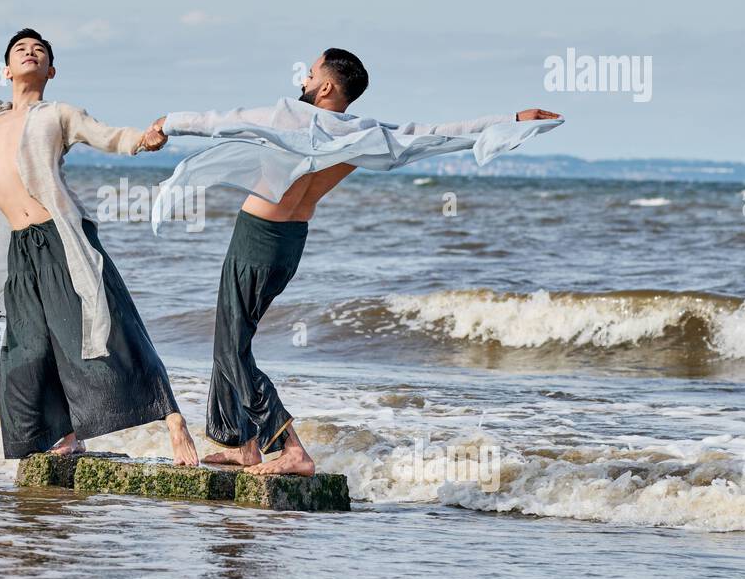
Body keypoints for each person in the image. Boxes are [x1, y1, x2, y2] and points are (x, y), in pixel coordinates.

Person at [148, 48, 562, 476]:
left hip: (256, 239)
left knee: (232, 346)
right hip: (289, 244)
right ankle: (241, 443)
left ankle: (290, 448)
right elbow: (435, 133)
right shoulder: (363, 134)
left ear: (326, 85)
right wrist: (509, 121)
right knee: (233, 339)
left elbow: (220, 119)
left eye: (309, 75)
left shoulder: (288, 115)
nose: (302, 82)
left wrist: (167, 122)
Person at [0, 15, 198, 465]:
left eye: (40, 50)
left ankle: (171, 418)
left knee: (107, 329)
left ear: (51, 71)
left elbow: (107, 135)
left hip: (63, 236)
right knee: (28, 345)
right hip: (21, 247)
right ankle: (67, 434)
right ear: (6, 70)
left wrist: (143, 140)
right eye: (20, 49)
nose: (30, 51)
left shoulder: (59, 114)